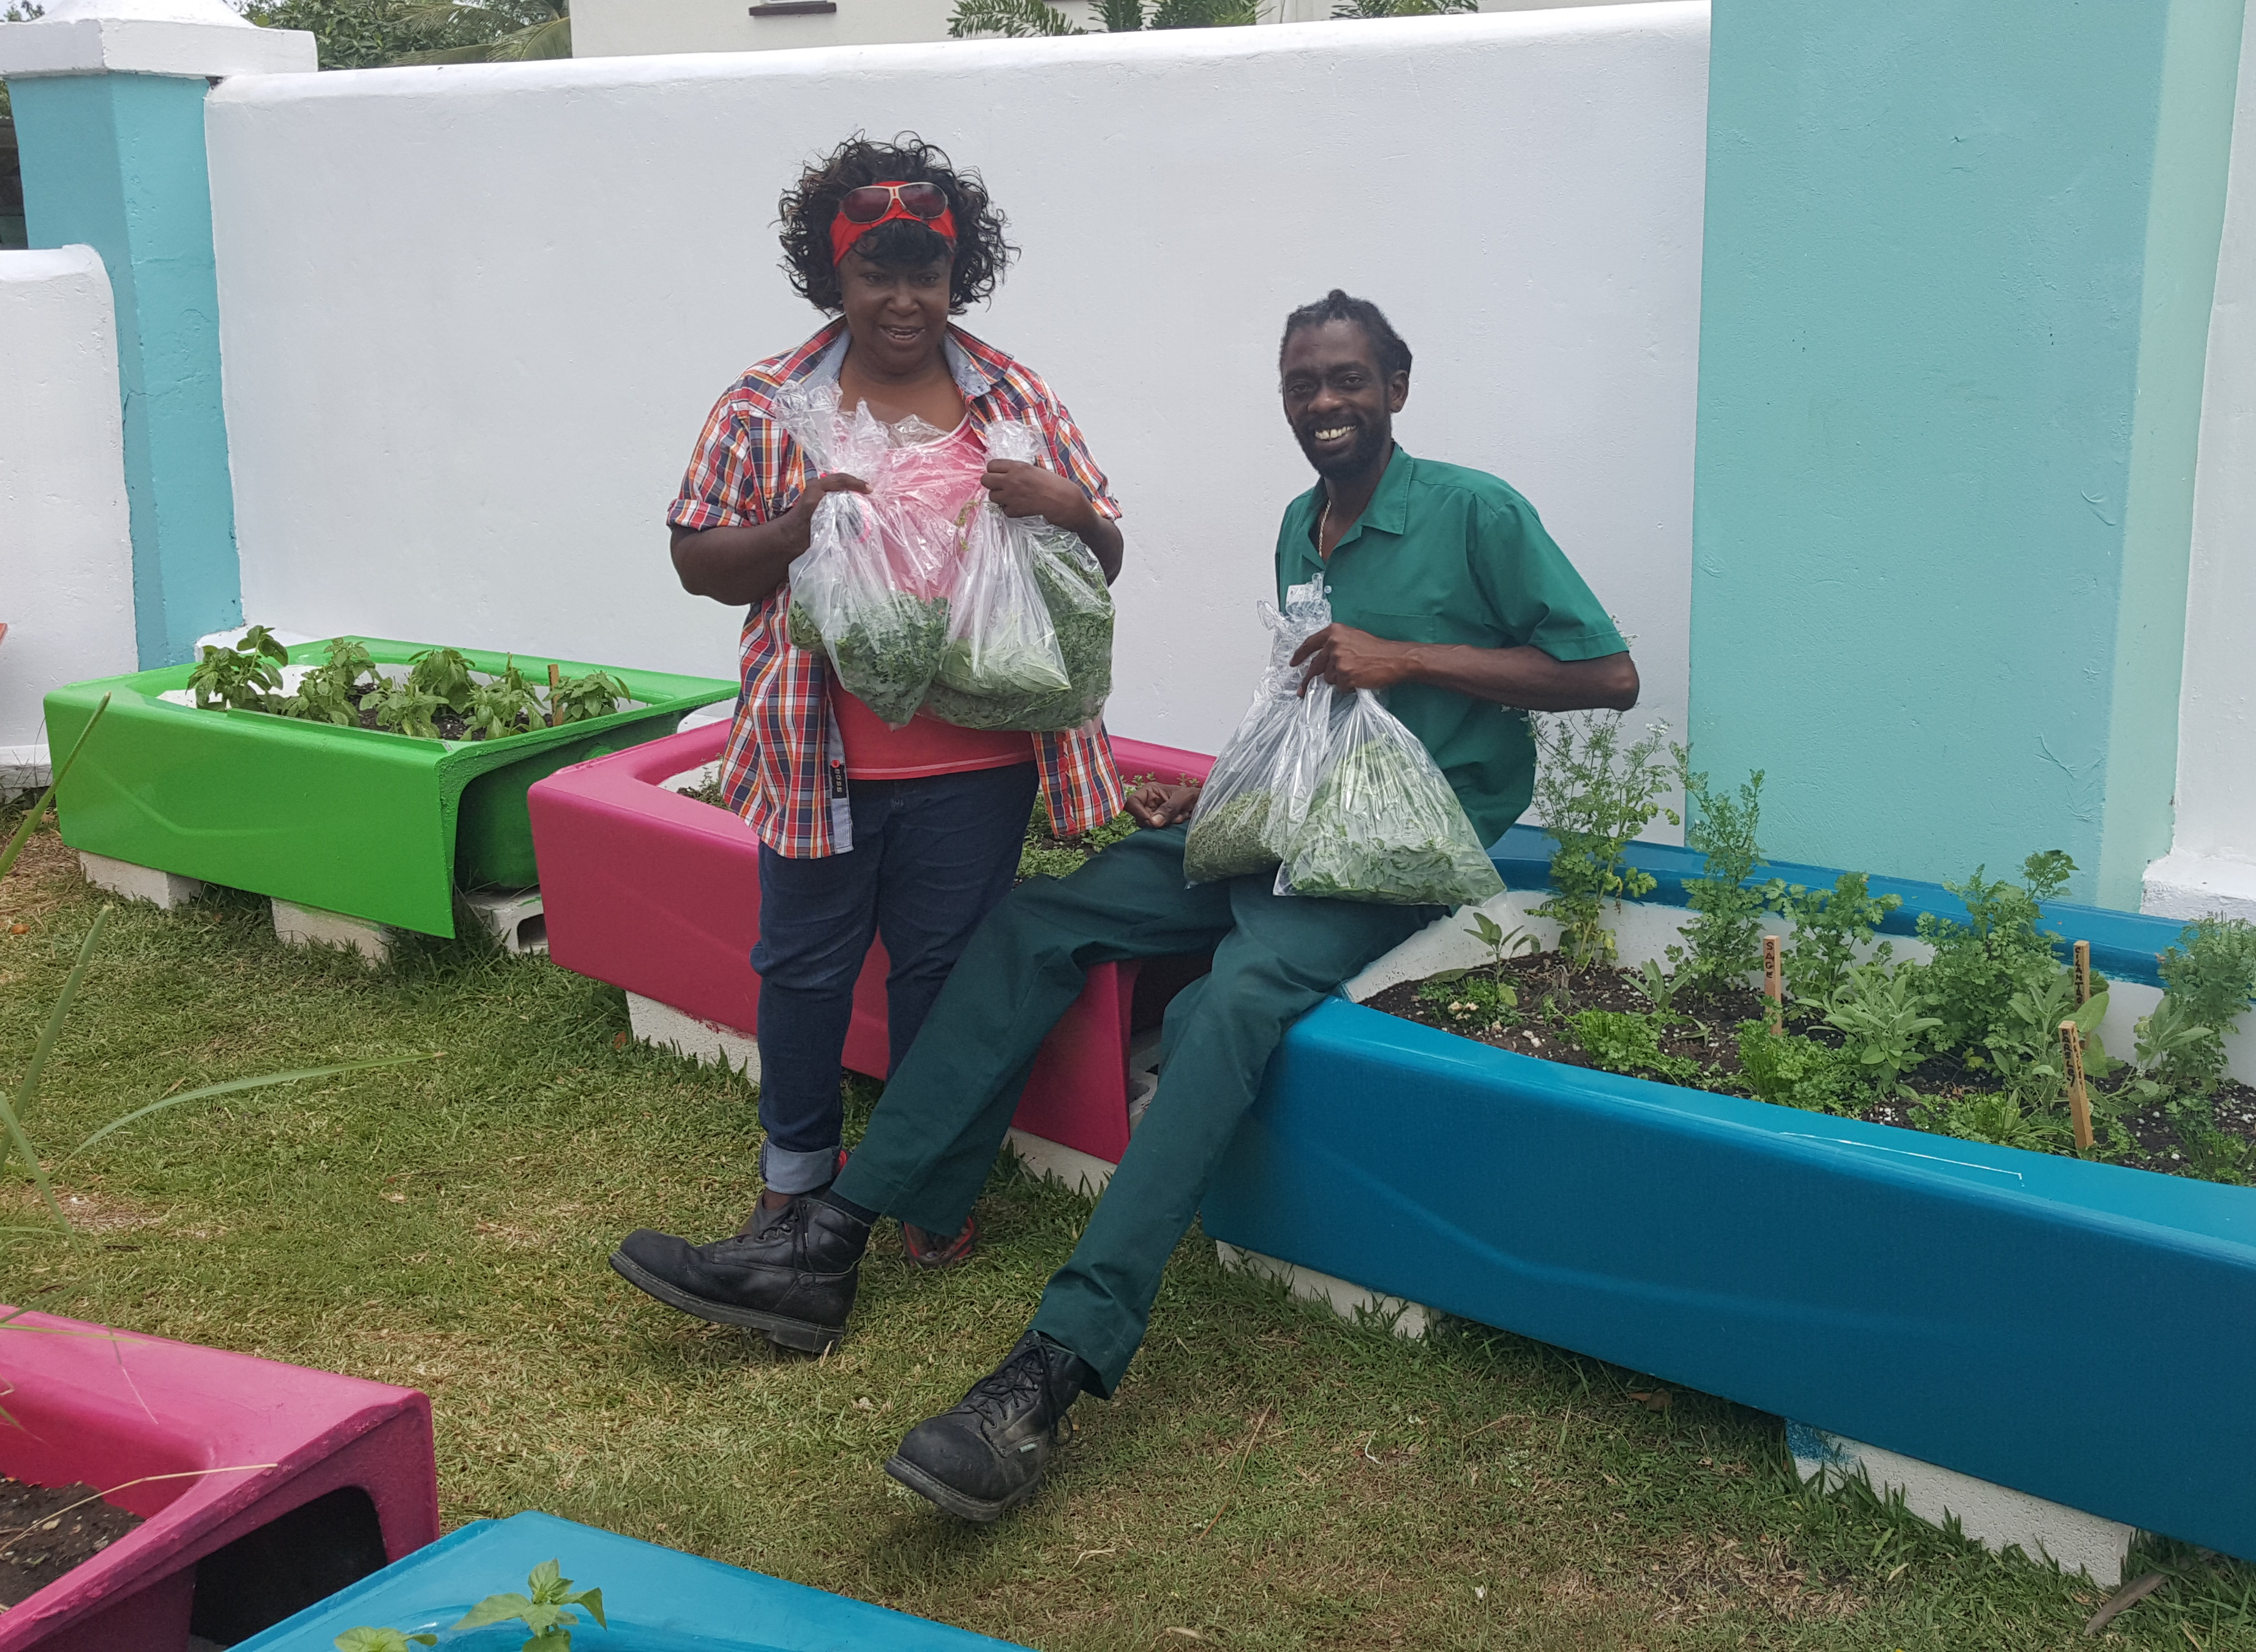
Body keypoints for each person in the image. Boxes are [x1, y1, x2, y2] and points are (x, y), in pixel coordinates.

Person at [612, 288, 1639, 1523]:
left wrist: (1408, 657)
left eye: (1350, 380)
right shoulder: (1301, 525)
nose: (1327, 402)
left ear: (1396, 391)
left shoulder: (1472, 512)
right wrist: (1220, 798)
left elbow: (1605, 674)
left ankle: (1051, 1369)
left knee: (1226, 1008)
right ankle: (827, 1240)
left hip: (1402, 845)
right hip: (1291, 812)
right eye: (1304, 383)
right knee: (1042, 919)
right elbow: (1312, 697)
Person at [612, 134, 1128, 1331]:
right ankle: (794, 1195)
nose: (903, 298)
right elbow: (698, 560)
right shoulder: (767, 403)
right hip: (820, 757)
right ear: (831, 279)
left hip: (980, 765)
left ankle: (934, 1189)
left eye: (928, 271)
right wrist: (802, 526)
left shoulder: (1015, 400)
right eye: (876, 272)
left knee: (945, 978)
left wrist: (1068, 508)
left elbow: (1097, 564)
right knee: (803, 973)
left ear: (961, 274)